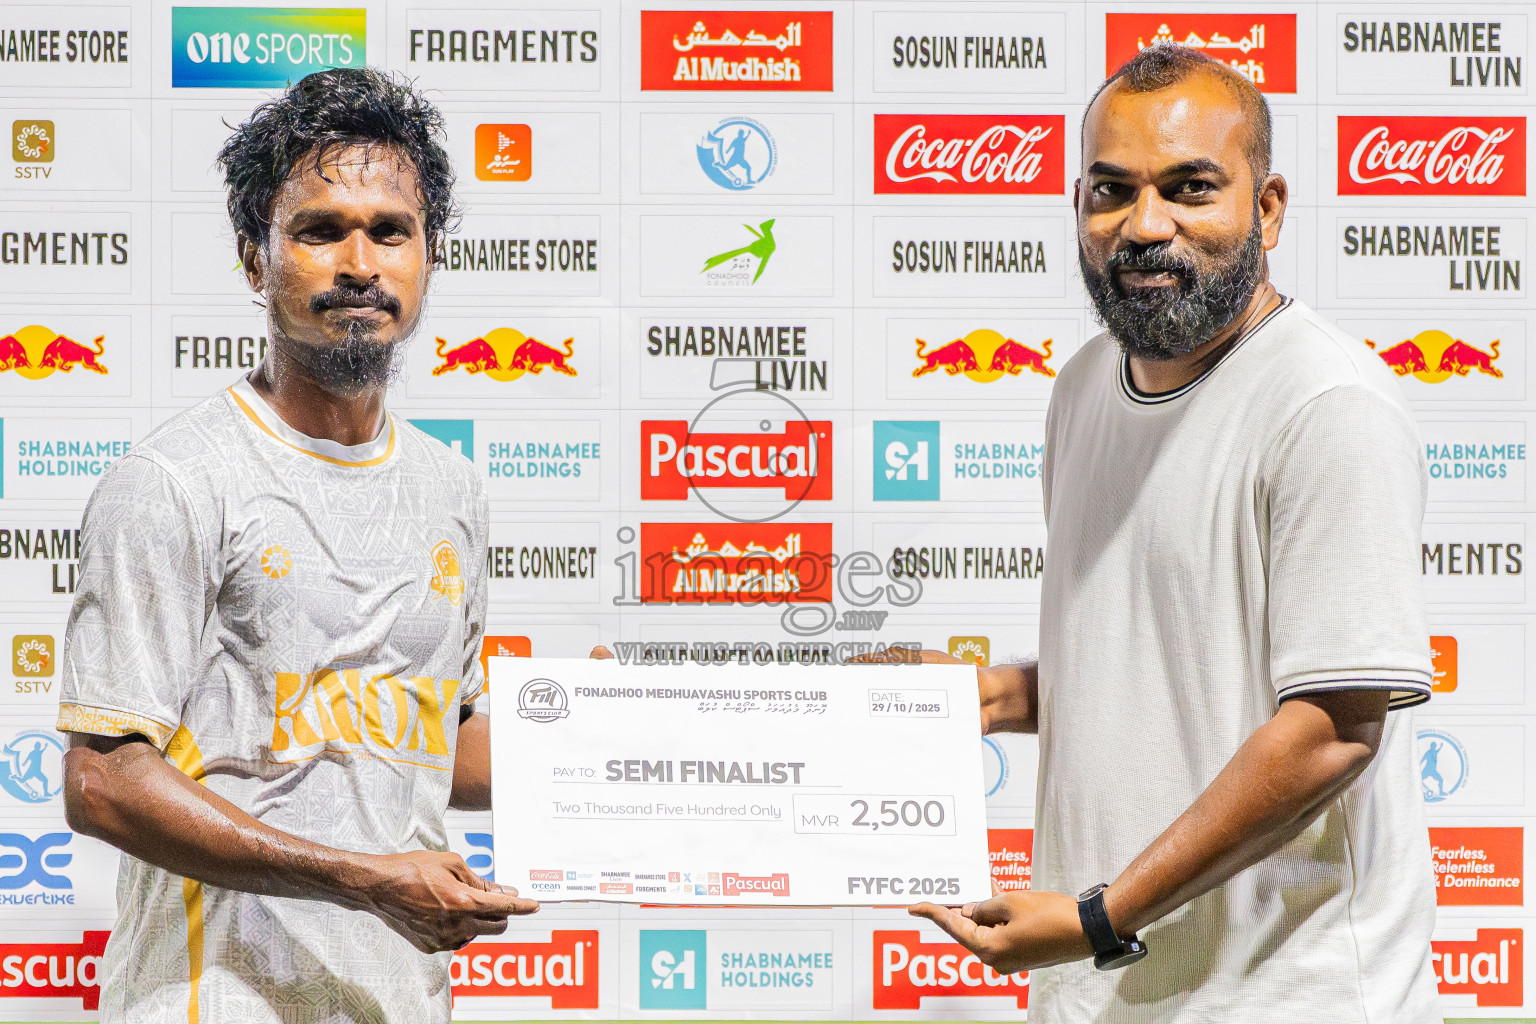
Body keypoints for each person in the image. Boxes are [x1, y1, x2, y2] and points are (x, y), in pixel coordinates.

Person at [905, 45, 1441, 1023]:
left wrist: (1103, 916)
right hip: (1106, 996)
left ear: (1268, 207)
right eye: (1110, 192)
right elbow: (1173, 663)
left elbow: (1331, 730)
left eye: (1190, 188)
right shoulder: (1080, 391)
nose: (1145, 227)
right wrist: (985, 694)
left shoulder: (1328, 404)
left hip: (1289, 1000)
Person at [58, 68, 536, 1024]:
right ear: (254, 257)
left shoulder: (452, 488)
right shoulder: (177, 478)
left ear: (428, 259)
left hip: (396, 1001)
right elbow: (103, 781)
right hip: (212, 1003)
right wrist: (364, 880)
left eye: (390, 232)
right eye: (320, 230)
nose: (359, 260)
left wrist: (615, 738)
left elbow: (436, 742)